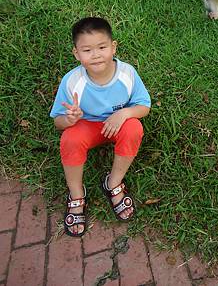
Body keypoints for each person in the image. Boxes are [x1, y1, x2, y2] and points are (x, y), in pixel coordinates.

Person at [50, 17, 151, 237]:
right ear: (76, 53)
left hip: (117, 125)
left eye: (102, 47)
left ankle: (113, 182)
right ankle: (76, 194)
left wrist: (124, 113)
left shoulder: (127, 74)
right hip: (87, 126)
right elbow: (58, 121)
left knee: (134, 127)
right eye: (87, 50)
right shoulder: (71, 81)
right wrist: (70, 119)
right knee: (70, 139)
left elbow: (144, 106)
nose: (95, 55)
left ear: (113, 47)